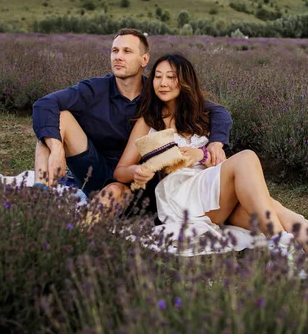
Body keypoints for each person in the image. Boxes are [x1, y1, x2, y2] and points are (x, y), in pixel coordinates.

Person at [114, 54, 308, 265]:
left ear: (184, 81)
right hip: (182, 195)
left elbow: (216, 151)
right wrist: (138, 170)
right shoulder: (148, 121)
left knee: (271, 207)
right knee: (247, 158)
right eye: (158, 76)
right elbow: (121, 171)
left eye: (171, 76)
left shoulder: (202, 116)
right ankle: (281, 245)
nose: (163, 83)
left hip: (213, 192)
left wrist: (203, 153)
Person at [32, 29, 232, 215]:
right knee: (57, 120)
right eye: (115, 51)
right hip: (94, 168)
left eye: (127, 51)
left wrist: (216, 142)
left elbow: (217, 111)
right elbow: (44, 104)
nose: (118, 56)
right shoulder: (94, 89)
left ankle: (82, 231)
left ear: (144, 59)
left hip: (135, 177)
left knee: (115, 191)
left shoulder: (158, 91)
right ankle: (40, 197)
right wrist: (57, 149)